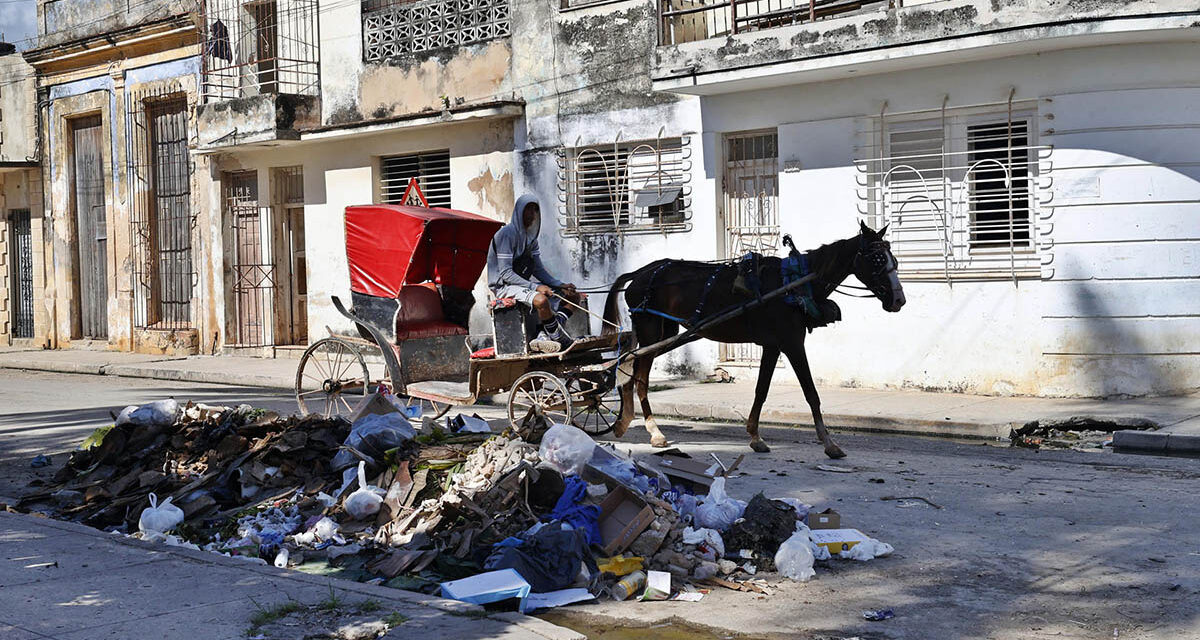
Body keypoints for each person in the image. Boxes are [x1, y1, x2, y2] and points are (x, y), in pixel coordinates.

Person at [487, 194, 583, 353]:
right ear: (519, 212)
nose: (532, 214)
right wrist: (535, 287)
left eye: (534, 210)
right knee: (541, 300)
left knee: (573, 297)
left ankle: (544, 333)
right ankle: (559, 338)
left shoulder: (531, 238)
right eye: (528, 210)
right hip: (504, 287)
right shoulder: (506, 234)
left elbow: (538, 269)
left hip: (520, 284)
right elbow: (505, 273)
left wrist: (560, 284)